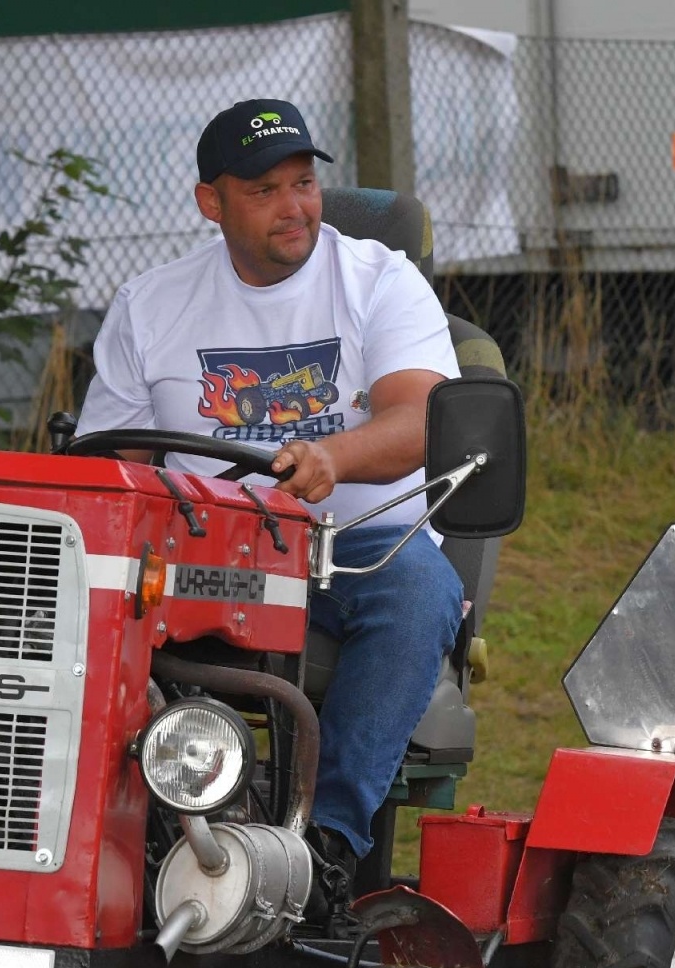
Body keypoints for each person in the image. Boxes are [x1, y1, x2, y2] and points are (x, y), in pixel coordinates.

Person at [74, 99, 464, 888]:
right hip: (202, 550)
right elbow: (106, 470)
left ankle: (327, 853)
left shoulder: (382, 281)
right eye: (265, 191)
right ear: (210, 203)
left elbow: (425, 420)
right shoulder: (148, 306)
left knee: (420, 590)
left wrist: (334, 456)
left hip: (350, 546)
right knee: (82, 591)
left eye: (304, 182)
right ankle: (98, 842)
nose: (295, 208)